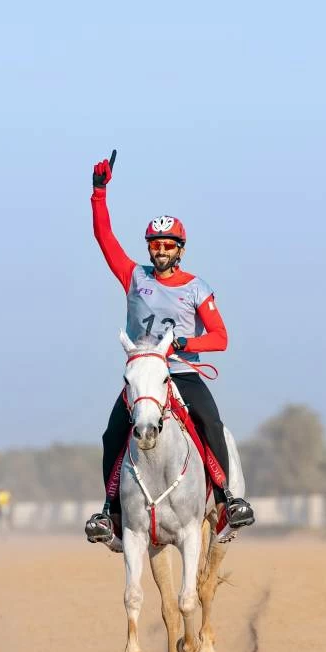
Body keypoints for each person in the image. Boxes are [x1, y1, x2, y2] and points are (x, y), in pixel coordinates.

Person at [85, 151, 255, 546]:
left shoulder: (197, 287)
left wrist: (186, 342)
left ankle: (229, 501)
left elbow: (221, 337)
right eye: (155, 244)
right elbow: (103, 237)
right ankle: (110, 513)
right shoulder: (132, 276)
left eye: (167, 244)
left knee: (212, 425)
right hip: (144, 376)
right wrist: (98, 192)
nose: (159, 250)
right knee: (112, 434)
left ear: (180, 248)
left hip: (181, 373)